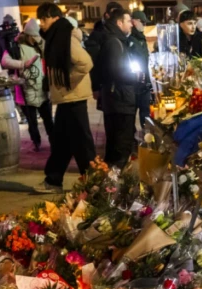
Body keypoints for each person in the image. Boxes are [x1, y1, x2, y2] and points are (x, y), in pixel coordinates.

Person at [34, 2, 95, 193]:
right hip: (66, 98)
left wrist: (67, 81)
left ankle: (94, 183)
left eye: (43, 19)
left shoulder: (65, 37)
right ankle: (53, 180)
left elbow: (86, 63)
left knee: (82, 144)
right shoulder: (55, 36)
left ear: (53, 17)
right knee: (62, 142)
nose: (41, 24)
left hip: (73, 98)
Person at [1, 19, 51, 152]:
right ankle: (36, 142)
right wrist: (23, 64)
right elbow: (5, 61)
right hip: (26, 89)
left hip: (41, 88)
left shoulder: (40, 44)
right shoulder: (15, 47)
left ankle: (54, 141)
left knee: (48, 119)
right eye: (33, 37)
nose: (35, 40)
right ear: (28, 35)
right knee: (32, 121)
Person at [99, 8, 140, 168]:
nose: (132, 24)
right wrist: (135, 76)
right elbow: (116, 72)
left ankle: (111, 181)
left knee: (118, 144)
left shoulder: (117, 40)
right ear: (119, 22)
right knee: (121, 145)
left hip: (119, 98)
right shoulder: (114, 43)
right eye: (129, 21)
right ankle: (114, 184)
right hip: (120, 100)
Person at [88, 2, 122, 102]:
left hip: (121, 86)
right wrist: (95, 87)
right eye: (114, 13)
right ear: (107, 15)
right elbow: (93, 63)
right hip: (105, 84)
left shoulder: (121, 34)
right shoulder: (97, 34)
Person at [130, 10, 152, 130]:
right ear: (134, 21)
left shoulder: (141, 38)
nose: (144, 25)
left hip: (144, 82)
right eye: (142, 22)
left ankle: (146, 137)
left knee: (145, 112)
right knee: (132, 113)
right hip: (135, 82)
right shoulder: (130, 39)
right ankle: (132, 137)